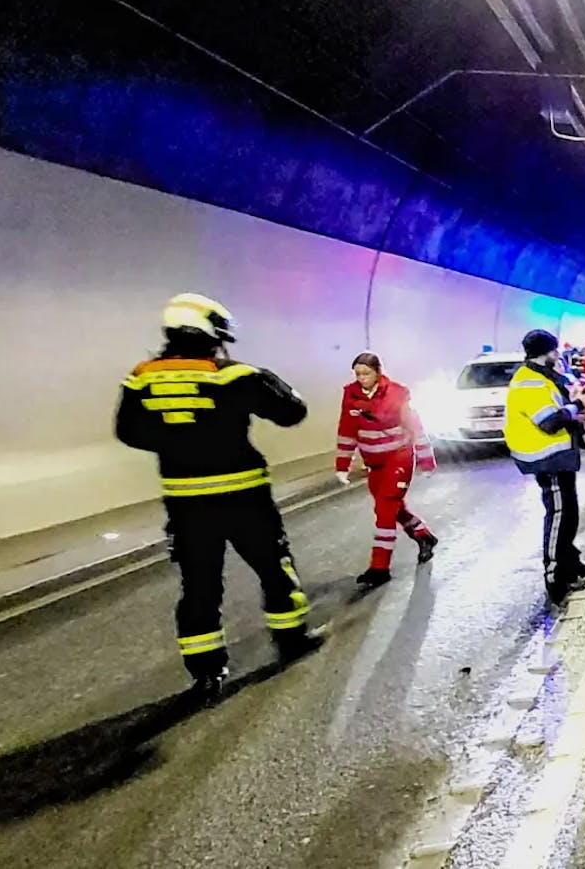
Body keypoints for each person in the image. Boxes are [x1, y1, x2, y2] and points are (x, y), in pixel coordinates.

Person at [116, 293, 322, 700]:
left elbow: (129, 431)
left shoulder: (140, 378)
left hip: (186, 504)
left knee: (199, 586)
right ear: (210, 331)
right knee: (274, 569)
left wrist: (178, 445)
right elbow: (291, 412)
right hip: (244, 497)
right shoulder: (233, 375)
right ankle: (291, 639)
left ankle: (207, 672)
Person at [505, 329, 585, 602]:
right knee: (558, 515)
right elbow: (548, 422)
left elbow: (559, 408)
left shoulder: (543, 377)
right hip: (546, 458)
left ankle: (571, 563)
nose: (558, 356)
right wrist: (578, 405)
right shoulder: (529, 382)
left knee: (569, 512)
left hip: (559, 456)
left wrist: (574, 408)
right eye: (555, 352)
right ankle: (555, 576)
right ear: (546, 352)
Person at [335, 352, 439, 590]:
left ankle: (379, 568)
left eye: (366, 373)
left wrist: (426, 459)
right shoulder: (350, 395)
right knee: (393, 508)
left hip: (398, 458)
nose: (361, 378)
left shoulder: (397, 394)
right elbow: (347, 431)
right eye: (358, 374)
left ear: (378, 372)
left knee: (385, 509)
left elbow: (415, 427)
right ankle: (423, 535)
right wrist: (342, 465)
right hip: (375, 462)